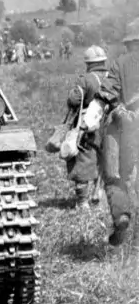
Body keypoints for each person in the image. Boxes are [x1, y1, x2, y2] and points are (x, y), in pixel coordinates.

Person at [84, 36, 139, 246]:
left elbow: (105, 95)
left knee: (115, 176)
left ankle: (121, 216)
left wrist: (89, 121)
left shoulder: (120, 63)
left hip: (126, 125)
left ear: (128, 43)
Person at [66, 46, 109, 207]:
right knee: (104, 161)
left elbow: (73, 101)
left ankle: (83, 202)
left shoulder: (85, 79)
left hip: (88, 126)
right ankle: (99, 196)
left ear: (88, 64)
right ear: (103, 61)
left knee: (83, 161)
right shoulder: (113, 78)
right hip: (110, 125)